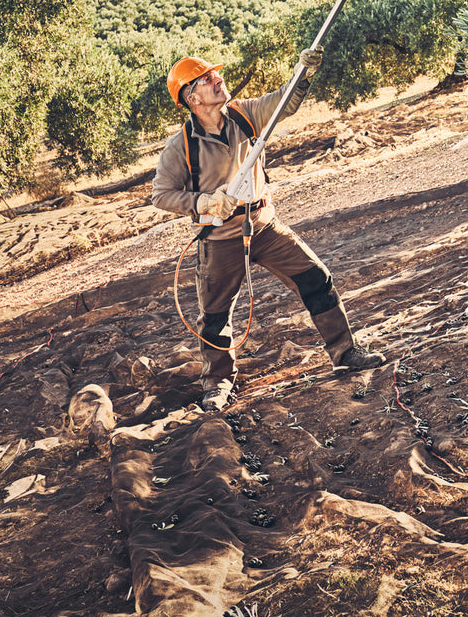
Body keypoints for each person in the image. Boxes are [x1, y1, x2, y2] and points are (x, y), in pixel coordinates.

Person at [152, 50, 386, 412]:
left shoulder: (245, 114)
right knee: (214, 318)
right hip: (219, 240)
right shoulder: (181, 145)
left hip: (264, 225)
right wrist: (204, 203)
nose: (218, 79)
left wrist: (303, 73)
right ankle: (217, 384)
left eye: (217, 74)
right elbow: (162, 195)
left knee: (317, 280)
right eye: (207, 79)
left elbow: (285, 101)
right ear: (192, 98)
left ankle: (344, 351)